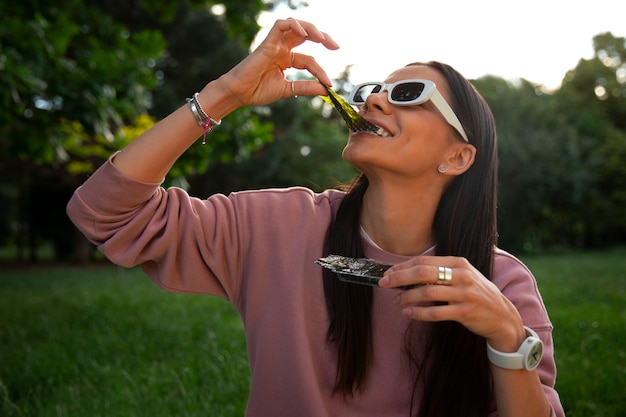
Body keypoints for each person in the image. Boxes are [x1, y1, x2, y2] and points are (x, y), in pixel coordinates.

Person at [67, 18, 565, 417]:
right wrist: (224, 95)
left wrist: (506, 337)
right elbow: (106, 214)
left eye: (408, 94)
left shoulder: (503, 285)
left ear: (457, 157)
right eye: (373, 89)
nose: (372, 99)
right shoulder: (279, 228)